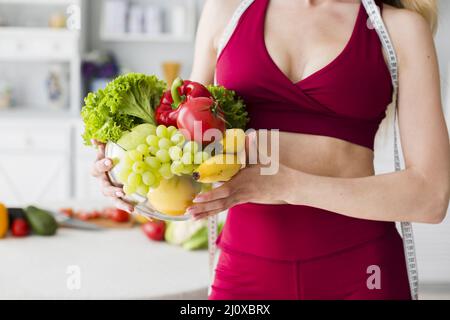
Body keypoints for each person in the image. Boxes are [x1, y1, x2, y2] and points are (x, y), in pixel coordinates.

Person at [91, 0, 450, 300]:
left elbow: (430, 197)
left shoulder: (396, 28)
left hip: (363, 273)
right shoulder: (226, 13)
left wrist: (284, 185)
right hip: (244, 273)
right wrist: (125, 170)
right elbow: (187, 148)